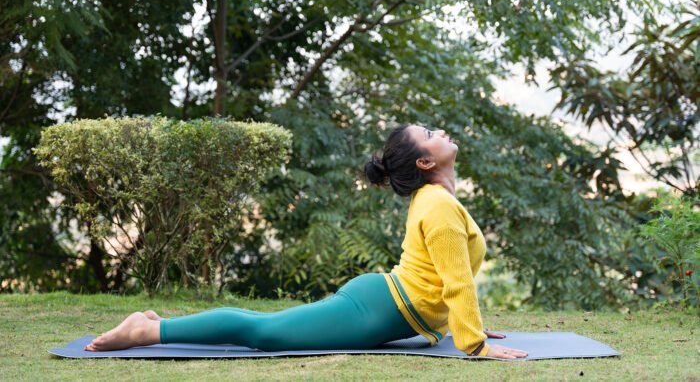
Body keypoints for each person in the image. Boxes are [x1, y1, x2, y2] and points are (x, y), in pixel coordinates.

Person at [84, 124, 528, 359]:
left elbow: (446, 279)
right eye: (431, 134)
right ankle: (146, 331)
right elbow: (454, 281)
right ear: (426, 160)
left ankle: (156, 323)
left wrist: (465, 326)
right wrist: (474, 344)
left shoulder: (437, 200)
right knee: (264, 332)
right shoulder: (439, 204)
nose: (441, 131)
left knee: (266, 326)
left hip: (385, 305)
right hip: (377, 308)